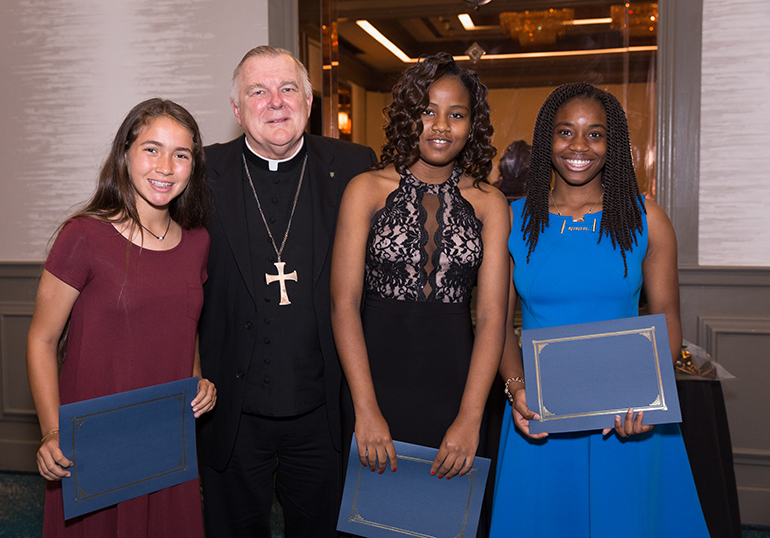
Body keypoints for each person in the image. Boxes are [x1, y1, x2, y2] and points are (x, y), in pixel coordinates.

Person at [489, 83, 709, 537]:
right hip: (541, 418)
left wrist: (647, 400)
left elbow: (667, 313)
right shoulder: (512, 218)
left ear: (613, 144)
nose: (579, 147)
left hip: (625, 417)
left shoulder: (645, 218)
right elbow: (497, 323)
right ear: (547, 138)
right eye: (566, 132)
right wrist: (516, 389)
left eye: (595, 134)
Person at [195, 46, 377, 538]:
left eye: (288, 88)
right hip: (230, 409)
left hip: (323, 407)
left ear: (309, 100)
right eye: (258, 91)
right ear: (237, 109)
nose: (275, 102)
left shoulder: (356, 166)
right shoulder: (201, 173)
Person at [26, 98, 216, 537]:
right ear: (125, 154)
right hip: (95, 440)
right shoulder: (84, 236)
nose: (166, 166)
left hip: (168, 437)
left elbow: (184, 325)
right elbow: (40, 339)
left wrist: (198, 379)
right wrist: (51, 432)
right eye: (152, 149)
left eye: (181, 154)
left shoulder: (197, 242)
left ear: (194, 166)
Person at [330, 52, 510, 487]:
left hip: (458, 386)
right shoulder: (366, 190)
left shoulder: (490, 203)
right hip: (372, 382)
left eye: (457, 114)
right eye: (427, 111)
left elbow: (491, 318)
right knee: (371, 519)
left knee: (451, 521)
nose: (442, 126)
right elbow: (343, 304)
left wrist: (471, 417)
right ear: (409, 117)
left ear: (473, 125)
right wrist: (366, 409)